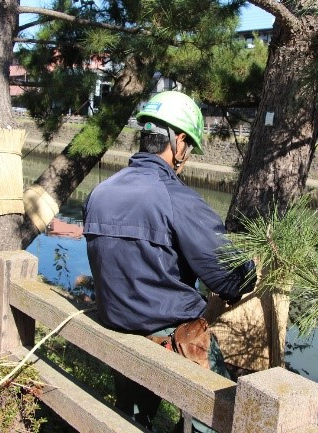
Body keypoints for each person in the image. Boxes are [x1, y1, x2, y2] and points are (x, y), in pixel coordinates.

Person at [82, 91, 256, 431]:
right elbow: (228, 279)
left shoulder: (101, 191)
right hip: (166, 332)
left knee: (133, 418)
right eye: (189, 146)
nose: (186, 156)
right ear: (177, 141)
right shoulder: (177, 198)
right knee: (223, 418)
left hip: (115, 321)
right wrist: (249, 270)